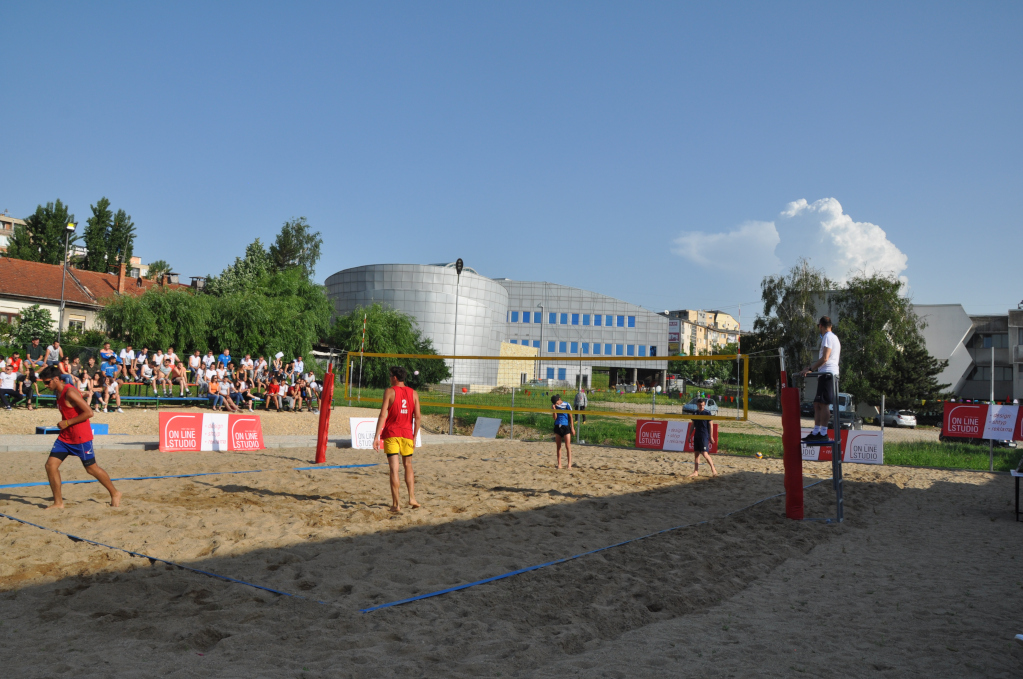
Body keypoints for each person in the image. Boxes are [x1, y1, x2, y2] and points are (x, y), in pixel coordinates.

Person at [38, 366, 121, 510]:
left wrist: (67, 422)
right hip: (65, 437)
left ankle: (115, 492)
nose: (45, 386)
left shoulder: (69, 392)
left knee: (91, 468)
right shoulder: (58, 392)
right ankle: (58, 503)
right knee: (50, 466)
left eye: (47, 382)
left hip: (80, 437)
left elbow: (89, 412)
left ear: (56, 379)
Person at [372, 366, 422, 513]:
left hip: (392, 433)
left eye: (390, 375)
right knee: (408, 465)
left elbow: (382, 415)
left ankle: (396, 504)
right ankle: (412, 497)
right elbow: (418, 417)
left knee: (394, 469)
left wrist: (376, 436)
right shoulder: (414, 393)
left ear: (394, 377)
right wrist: (414, 436)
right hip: (407, 434)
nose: (389, 378)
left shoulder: (389, 391)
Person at [800, 316, 842, 443]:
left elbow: (825, 358)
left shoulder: (828, 337)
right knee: (817, 404)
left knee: (823, 404)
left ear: (821, 326)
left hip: (828, 374)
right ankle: (816, 431)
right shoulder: (831, 337)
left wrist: (811, 369)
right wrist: (811, 367)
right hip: (824, 374)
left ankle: (823, 432)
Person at [688, 398, 718, 478]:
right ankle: (696, 472)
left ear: (704, 405)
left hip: (704, 435)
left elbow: (711, 425)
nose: (701, 406)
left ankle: (713, 470)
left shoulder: (707, 413)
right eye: (699, 405)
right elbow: (692, 425)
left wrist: (711, 436)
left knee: (705, 453)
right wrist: (689, 435)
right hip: (697, 434)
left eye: (702, 405)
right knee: (696, 454)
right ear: (697, 405)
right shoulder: (695, 413)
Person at [551, 394, 575, 469]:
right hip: (558, 426)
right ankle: (559, 464)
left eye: (557, 402)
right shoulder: (554, 406)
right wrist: (554, 410)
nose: (556, 404)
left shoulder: (567, 404)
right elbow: (555, 418)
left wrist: (572, 428)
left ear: (559, 399)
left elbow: (571, 417)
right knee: (558, 446)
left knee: (568, 446)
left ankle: (569, 464)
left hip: (566, 426)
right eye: (555, 403)